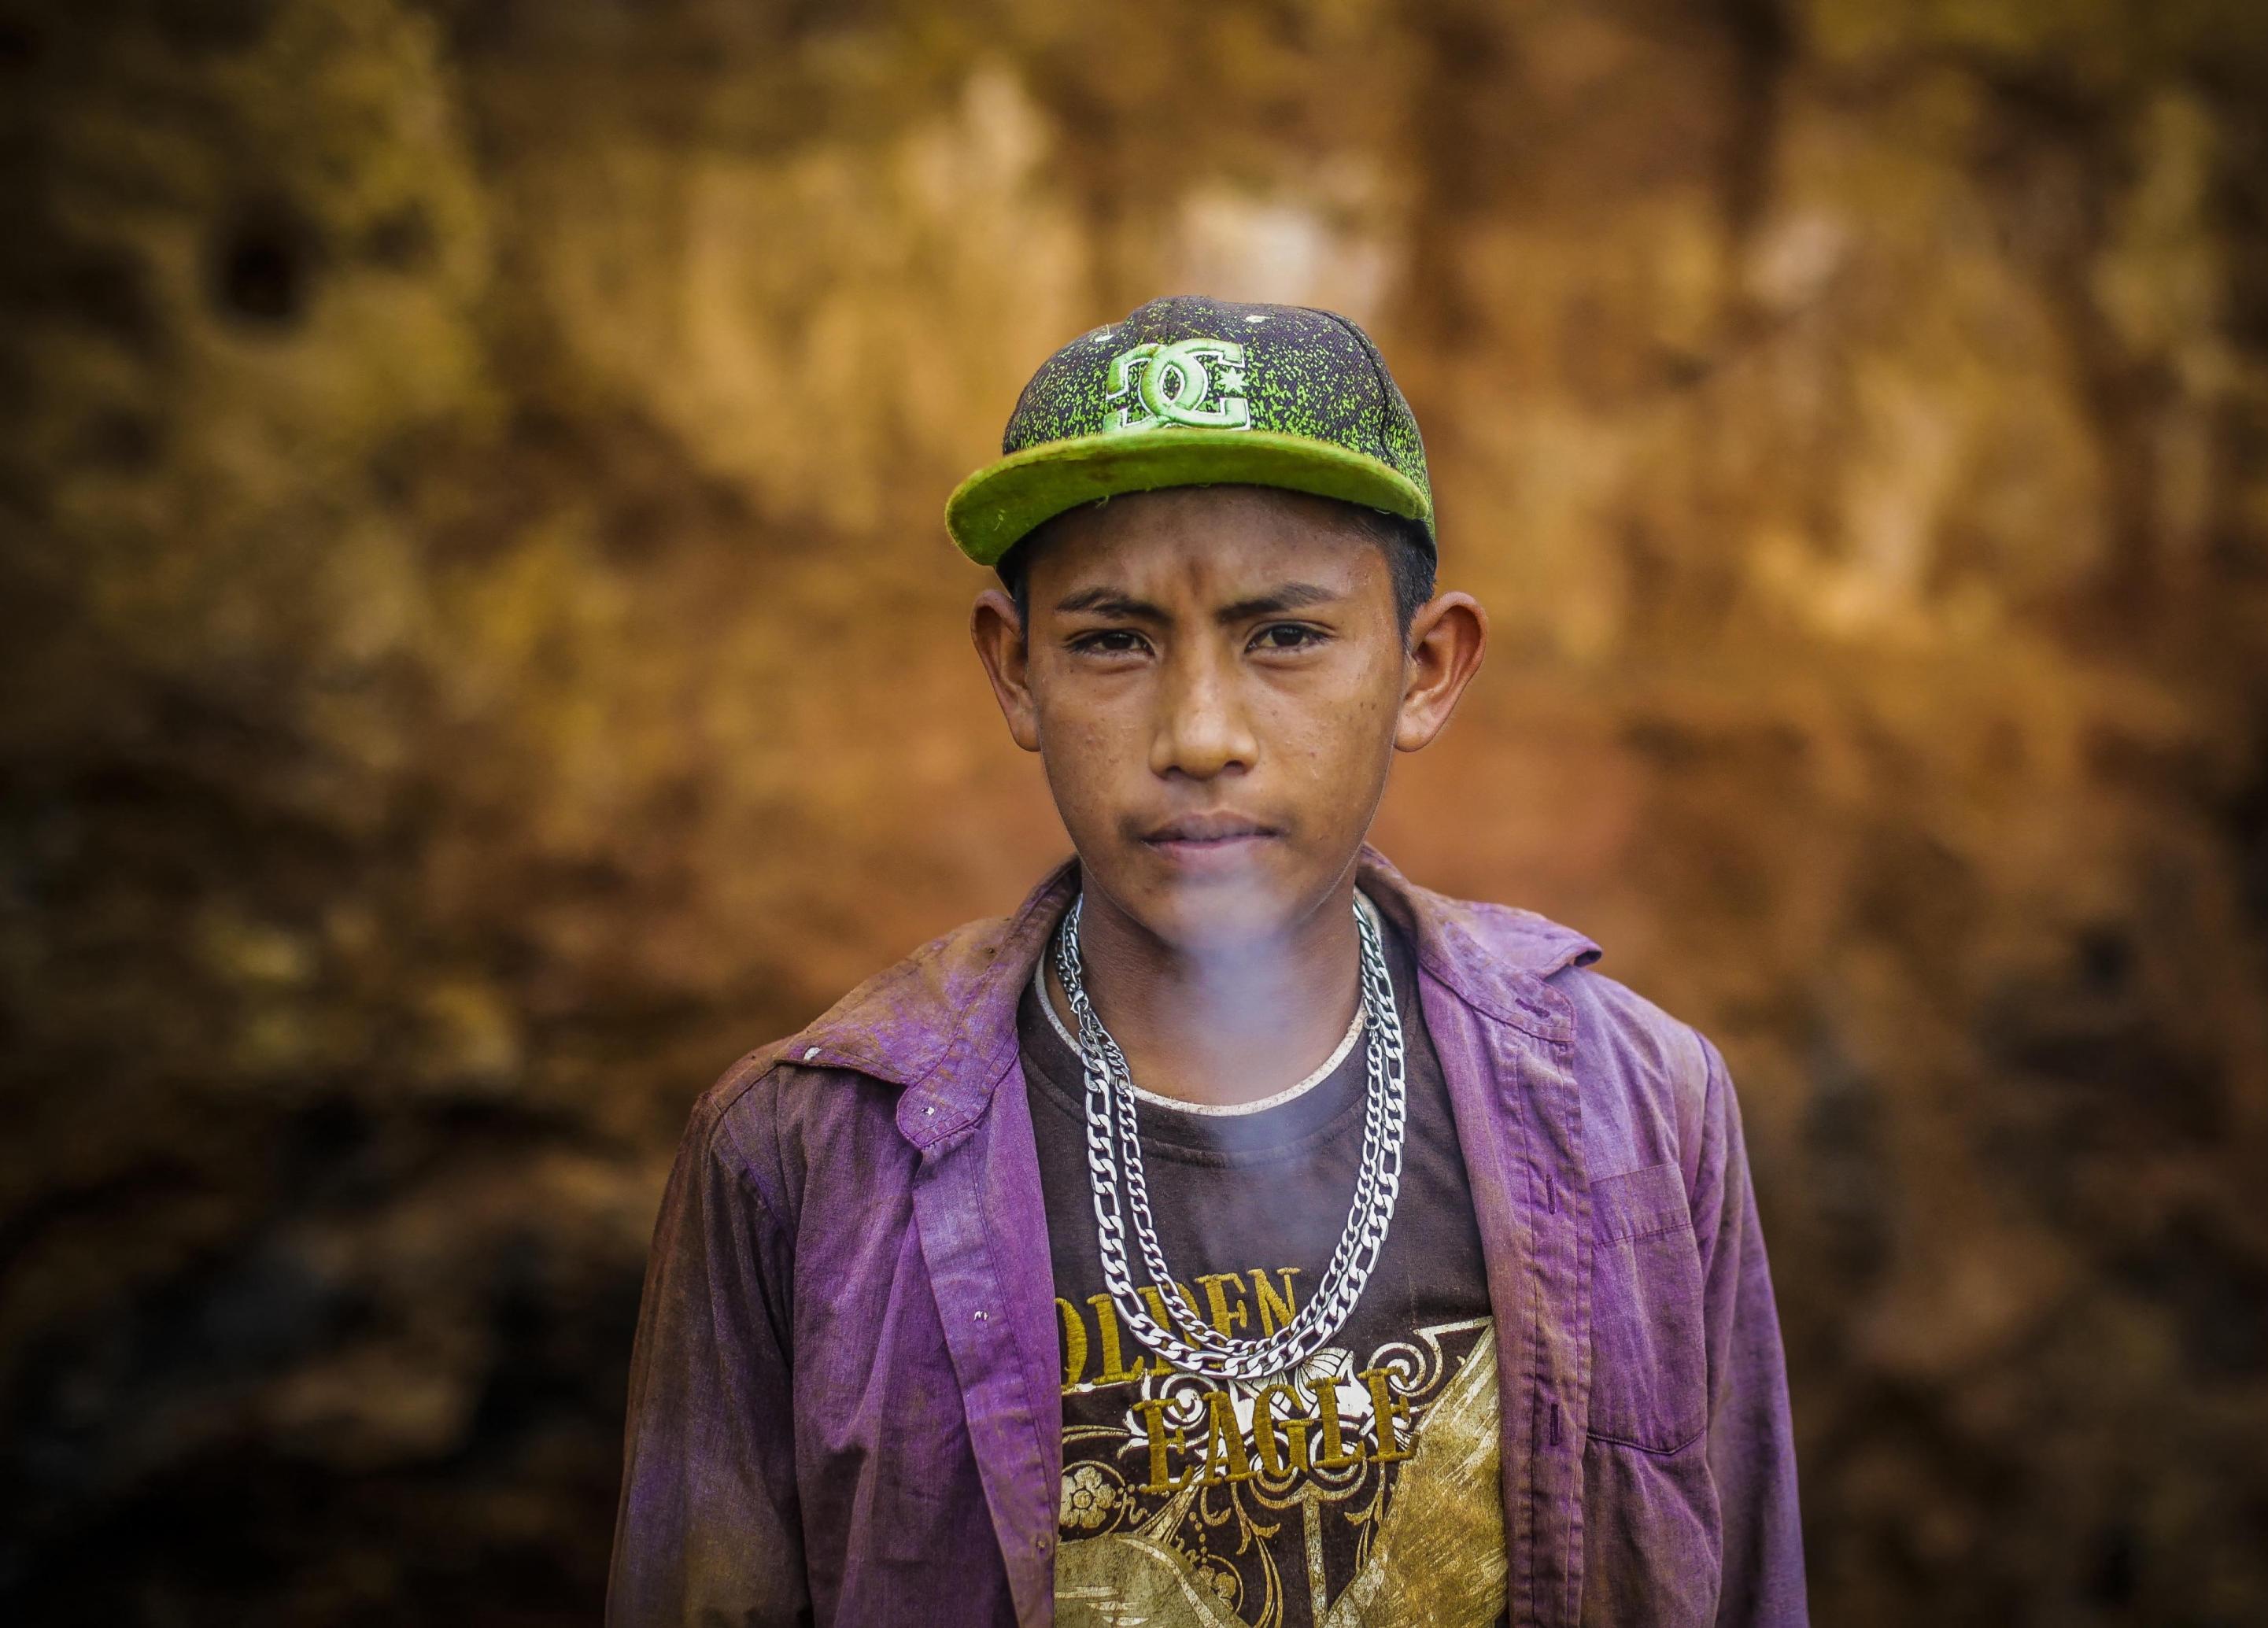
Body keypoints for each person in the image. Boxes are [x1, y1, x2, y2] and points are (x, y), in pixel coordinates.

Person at [607, 296, 1808, 1627]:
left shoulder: (1636, 1106)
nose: (1199, 731)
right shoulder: (800, 1157)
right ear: (1014, 673)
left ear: (1425, 668)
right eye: (1112, 639)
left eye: (1284, 634)